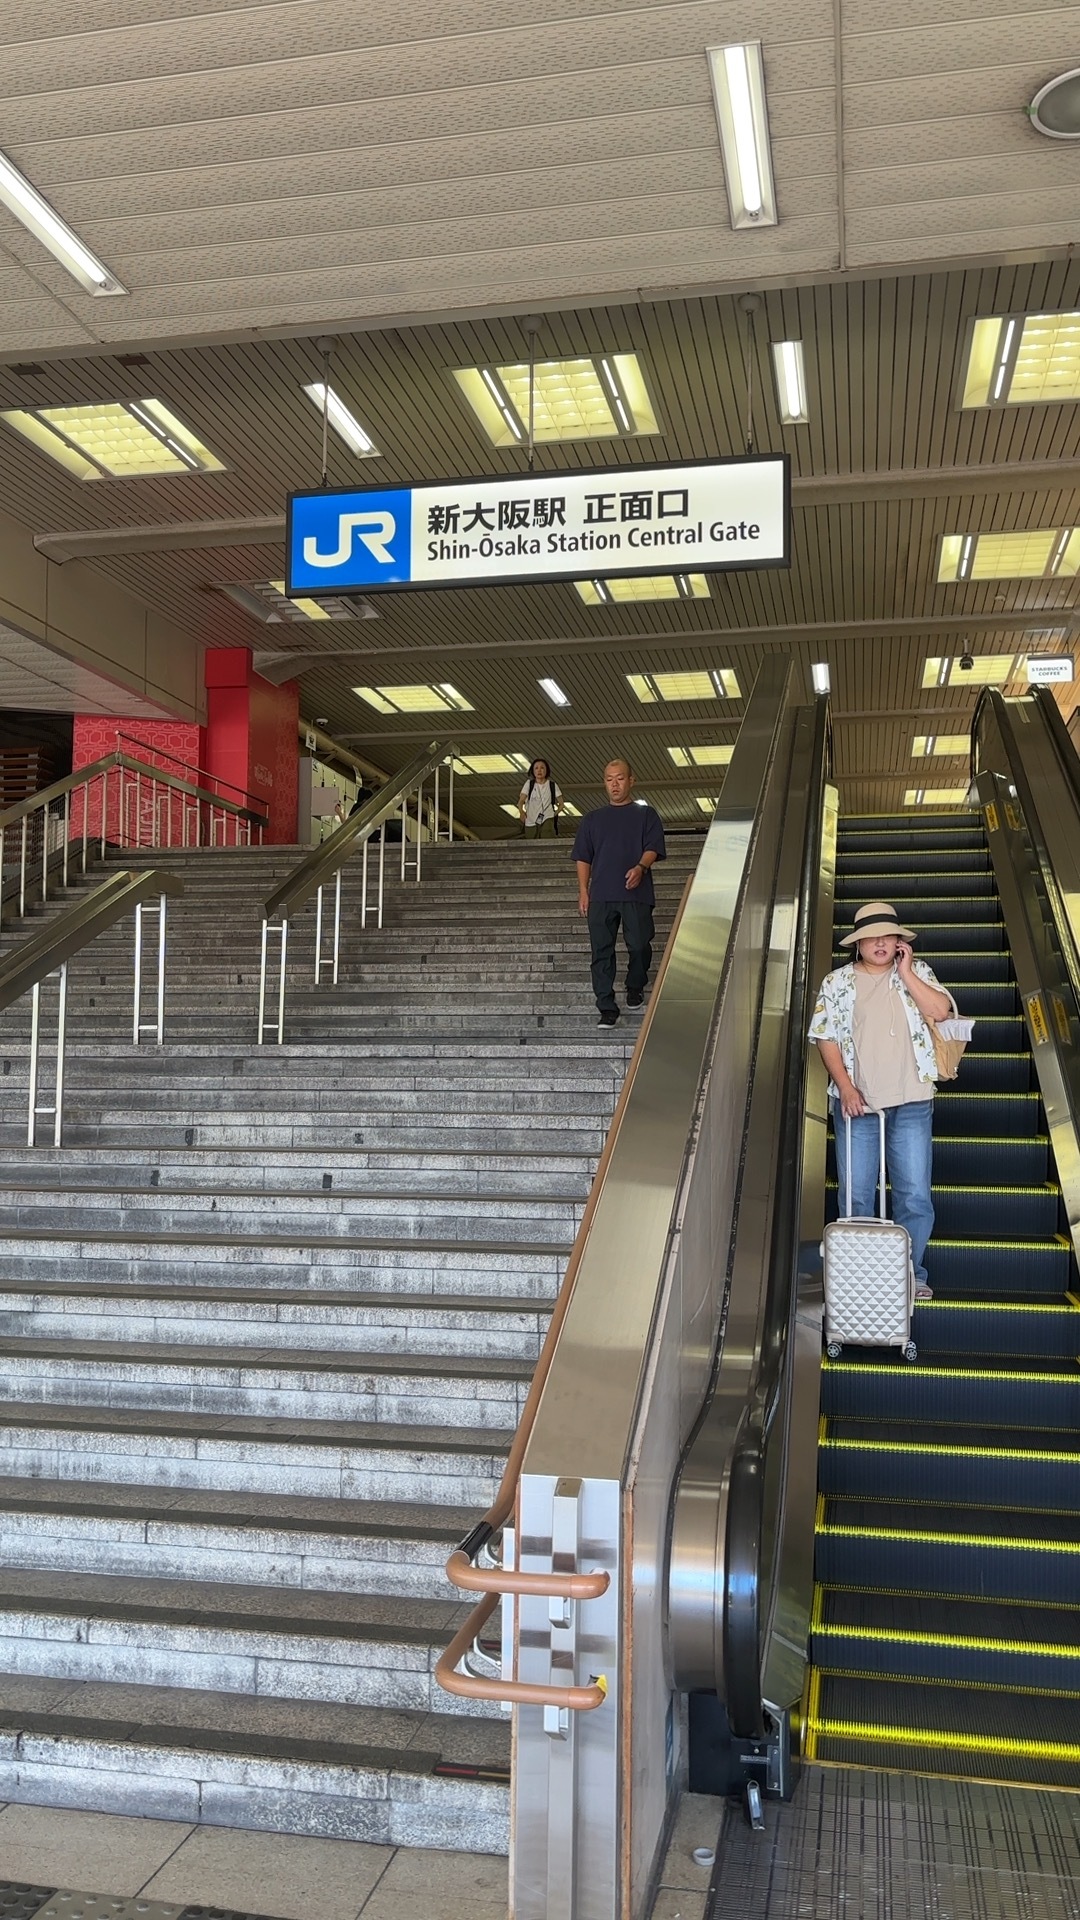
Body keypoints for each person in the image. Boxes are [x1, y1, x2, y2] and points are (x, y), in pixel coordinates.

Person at [808, 901, 957, 1298]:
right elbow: (825, 1038)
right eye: (871, 937)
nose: (879, 943)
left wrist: (906, 973)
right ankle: (858, 1278)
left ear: (899, 942)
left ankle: (911, 1274)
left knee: (914, 1194)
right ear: (857, 944)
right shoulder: (837, 982)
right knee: (856, 1196)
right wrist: (845, 1087)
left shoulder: (918, 971)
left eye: (888, 937)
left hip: (913, 1099)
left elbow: (941, 1011)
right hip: (859, 1103)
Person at [572, 759, 666, 1027]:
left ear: (631, 781)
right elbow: (583, 857)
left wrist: (641, 867)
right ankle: (606, 1006)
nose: (614, 784)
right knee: (601, 951)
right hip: (601, 894)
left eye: (620, 778)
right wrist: (583, 891)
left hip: (636, 893)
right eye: (609, 779)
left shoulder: (646, 815)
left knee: (639, 944)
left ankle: (635, 984)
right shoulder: (592, 819)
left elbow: (652, 847)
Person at [518, 758, 563, 836]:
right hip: (530, 820)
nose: (539, 770)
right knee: (531, 841)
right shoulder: (529, 784)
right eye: (536, 768)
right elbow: (521, 801)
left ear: (546, 770)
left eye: (542, 768)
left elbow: (561, 804)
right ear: (533, 771)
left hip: (547, 818)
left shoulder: (552, 785)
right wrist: (521, 812)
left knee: (547, 837)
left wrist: (553, 814)